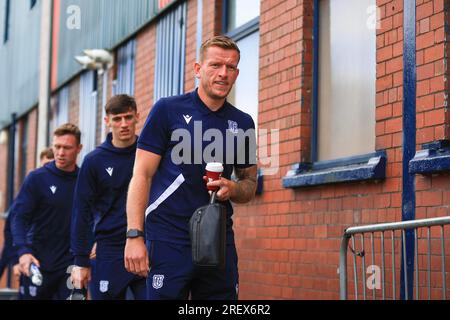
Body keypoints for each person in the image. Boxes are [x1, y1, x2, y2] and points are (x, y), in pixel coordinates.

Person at [124, 35, 257, 300]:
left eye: (231, 67)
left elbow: (250, 184)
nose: (223, 74)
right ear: (198, 69)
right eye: (215, 65)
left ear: (238, 73)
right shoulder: (167, 110)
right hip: (168, 237)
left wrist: (233, 188)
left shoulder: (242, 123)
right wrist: (134, 235)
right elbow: (142, 174)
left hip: (217, 240)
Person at [70, 95, 146, 300]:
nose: (123, 124)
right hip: (109, 250)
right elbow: (81, 211)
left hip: (145, 245)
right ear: (107, 122)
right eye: (117, 118)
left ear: (137, 117)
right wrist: (80, 260)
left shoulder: (148, 153)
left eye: (128, 117)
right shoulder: (94, 161)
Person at [11, 124, 82, 300]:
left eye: (67, 147)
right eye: (57, 147)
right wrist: (22, 252)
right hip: (37, 262)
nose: (60, 152)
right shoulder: (36, 178)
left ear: (79, 148)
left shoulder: (85, 180)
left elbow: (95, 217)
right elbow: (19, 218)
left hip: (70, 265)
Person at [0, 147, 55, 285]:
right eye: (46, 165)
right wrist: (15, 261)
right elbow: (11, 228)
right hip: (30, 253)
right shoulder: (32, 188)